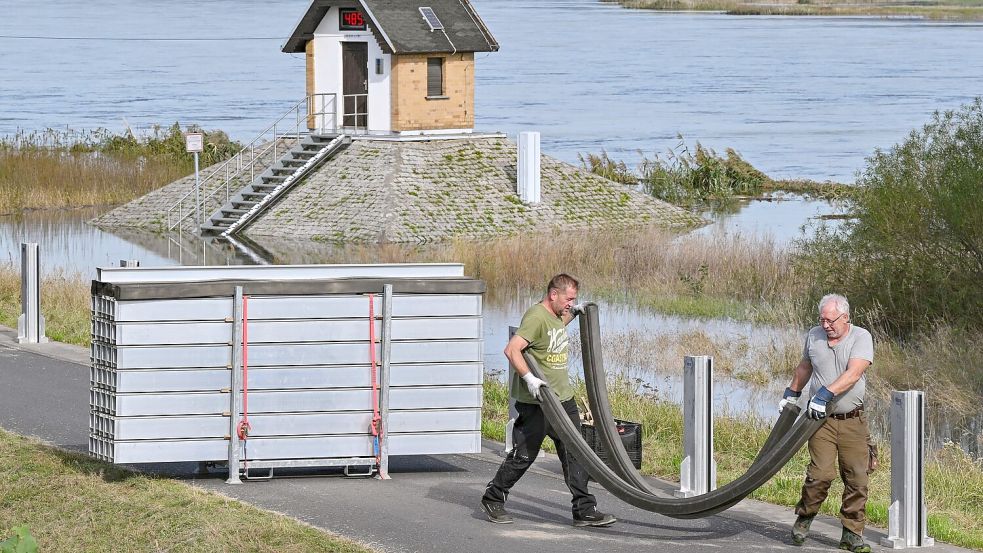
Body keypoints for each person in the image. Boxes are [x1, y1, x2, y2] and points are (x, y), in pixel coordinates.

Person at [480, 273, 616, 527]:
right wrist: (530, 379)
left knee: (577, 452)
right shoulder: (536, 316)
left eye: (574, 299)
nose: (570, 302)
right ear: (554, 294)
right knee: (524, 455)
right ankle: (493, 497)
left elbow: (554, 330)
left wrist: (574, 312)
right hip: (539, 402)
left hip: (563, 398)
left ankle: (584, 510)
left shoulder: (554, 317)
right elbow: (512, 349)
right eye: (569, 299)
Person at [779, 294, 874, 553]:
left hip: (852, 420)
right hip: (819, 421)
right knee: (820, 474)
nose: (826, 325)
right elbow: (805, 366)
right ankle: (805, 517)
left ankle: (852, 534)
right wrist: (792, 393)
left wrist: (824, 393)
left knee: (857, 478)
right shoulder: (814, 335)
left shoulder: (861, 337)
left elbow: (854, 373)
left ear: (845, 317)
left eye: (830, 320)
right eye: (822, 319)